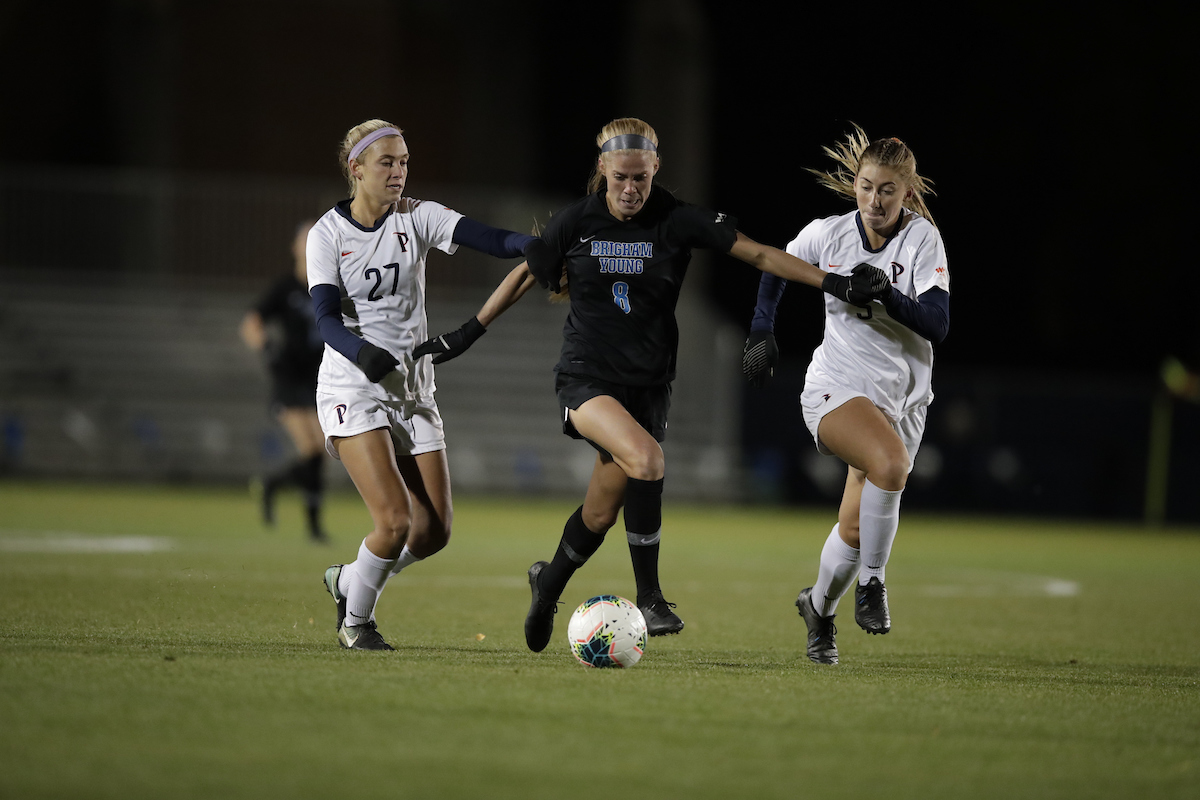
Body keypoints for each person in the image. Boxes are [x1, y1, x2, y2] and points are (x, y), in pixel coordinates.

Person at [419, 117, 882, 654]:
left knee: (599, 512)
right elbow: (527, 270)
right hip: (585, 378)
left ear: (656, 167)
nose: (631, 188)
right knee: (648, 458)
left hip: (649, 387)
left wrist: (836, 282)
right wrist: (467, 333)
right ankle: (652, 598)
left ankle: (547, 586)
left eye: (641, 176)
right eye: (621, 177)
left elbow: (757, 253)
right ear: (603, 170)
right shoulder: (577, 221)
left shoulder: (677, 220)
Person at [310, 119, 541, 650]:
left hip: (413, 390)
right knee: (392, 521)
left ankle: (349, 579)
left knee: (432, 533)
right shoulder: (328, 234)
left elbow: (488, 238)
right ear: (357, 169)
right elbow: (324, 320)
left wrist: (534, 244)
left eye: (404, 161)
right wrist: (363, 354)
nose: (398, 172)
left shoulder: (418, 217)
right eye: (387, 162)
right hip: (353, 385)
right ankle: (357, 623)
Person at [742, 125, 950, 665]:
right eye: (865, 186)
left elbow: (937, 324)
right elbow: (773, 264)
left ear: (906, 192)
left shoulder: (922, 240)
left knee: (856, 528)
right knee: (890, 464)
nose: (874, 200)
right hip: (837, 386)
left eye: (886, 190)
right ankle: (874, 585)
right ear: (853, 184)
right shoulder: (828, 234)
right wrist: (763, 328)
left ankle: (818, 608)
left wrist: (888, 296)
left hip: (903, 401)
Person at [240, 221, 329, 543]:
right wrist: (266, 347)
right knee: (312, 450)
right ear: (294, 248)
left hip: (319, 380)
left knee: (322, 451)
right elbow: (252, 322)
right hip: (289, 380)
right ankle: (314, 527)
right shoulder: (286, 287)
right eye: (304, 240)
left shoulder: (328, 286)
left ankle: (273, 486)